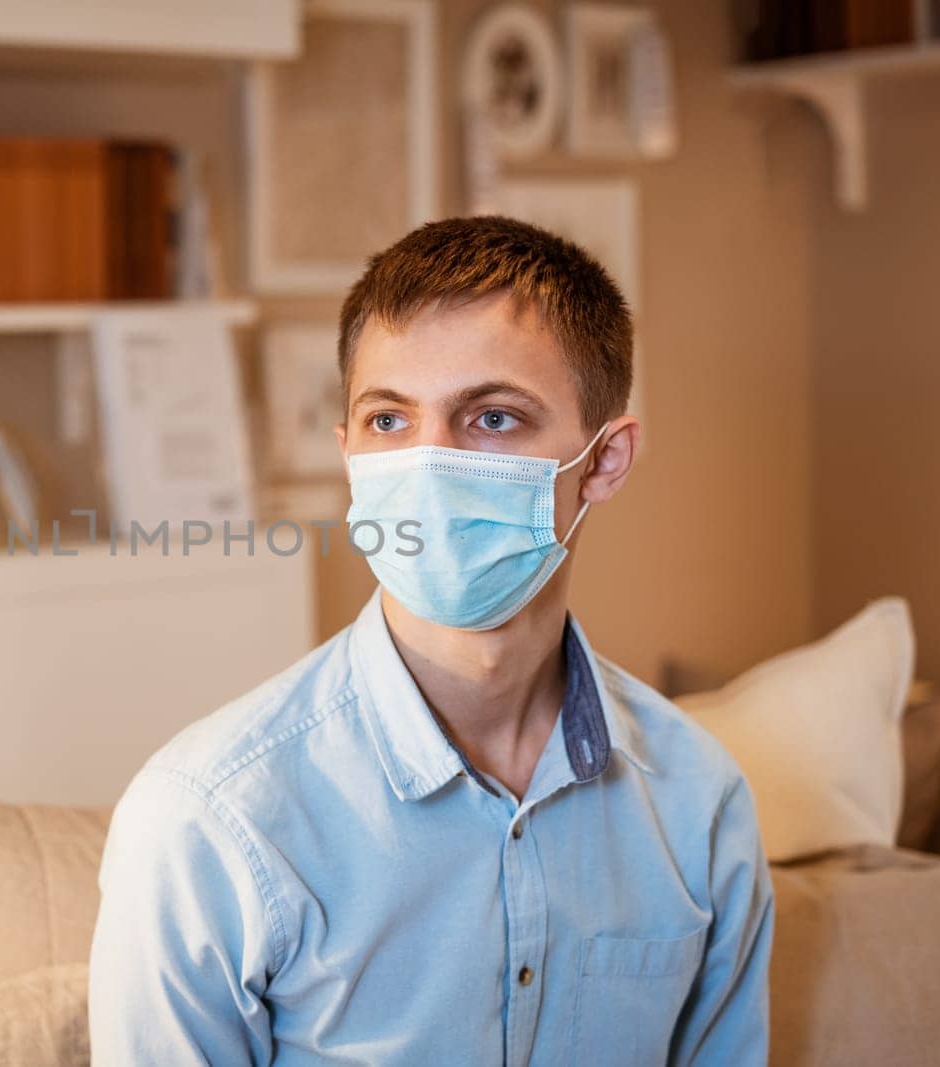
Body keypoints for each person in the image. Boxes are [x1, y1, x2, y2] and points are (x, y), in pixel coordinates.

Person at [89, 216, 774, 1066]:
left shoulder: (699, 804)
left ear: (604, 460)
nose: (427, 465)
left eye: (491, 417)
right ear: (347, 454)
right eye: (388, 422)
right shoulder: (206, 821)